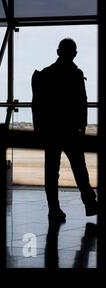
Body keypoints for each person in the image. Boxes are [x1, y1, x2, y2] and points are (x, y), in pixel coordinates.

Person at [32, 38, 98, 223]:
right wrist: (82, 126)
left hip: (51, 130)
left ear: (57, 51)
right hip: (71, 130)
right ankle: (90, 203)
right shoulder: (76, 74)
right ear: (74, 53)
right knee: (79, 169)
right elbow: (81, 102)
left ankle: (54, 209)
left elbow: (38, 104)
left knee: (52, 172)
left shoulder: (46, 74)